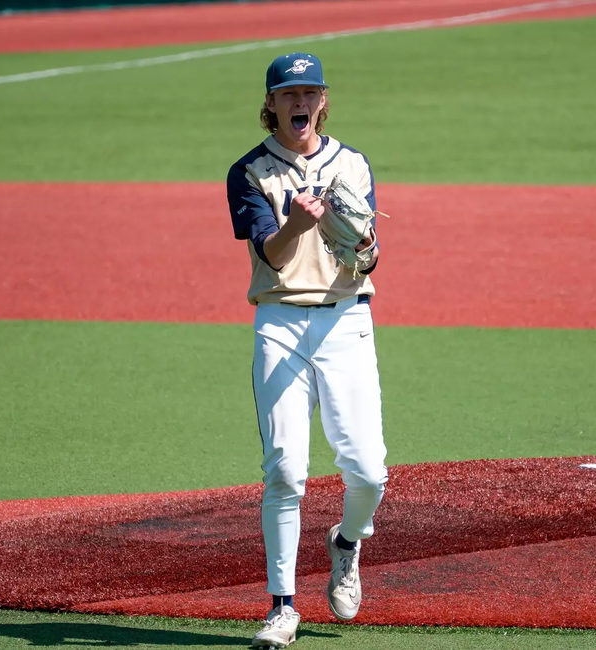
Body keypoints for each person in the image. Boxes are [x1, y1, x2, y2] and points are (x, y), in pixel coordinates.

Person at [226, 53, 389, 648]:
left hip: (347, 321)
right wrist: (300, 223)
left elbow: (371, 256)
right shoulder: (249, 172)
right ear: (271, 103)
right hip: (280, 323)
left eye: (310, 91)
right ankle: (282, 606)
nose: (300, 102)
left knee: (369, 471)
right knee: (285, 470)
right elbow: (270, 253)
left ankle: (347, 542)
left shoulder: (352, 163)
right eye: (289, 93)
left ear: (323, 99)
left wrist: (364, 241)